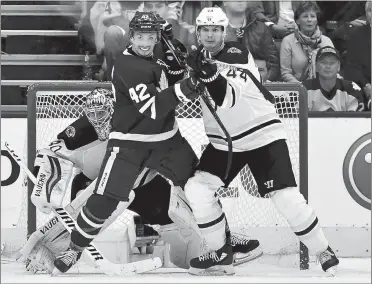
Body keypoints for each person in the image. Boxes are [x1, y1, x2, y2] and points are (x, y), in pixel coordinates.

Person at [25, 87, 259, 273]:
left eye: (104, 113)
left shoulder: (135, 119)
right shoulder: (80, 130)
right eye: (93, 115)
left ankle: (219, 246)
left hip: (145, 183)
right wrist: (43, 187)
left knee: (187, 203)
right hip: (94, 185)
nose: (99, 120)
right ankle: (53, 250)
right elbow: (49, 153)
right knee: (96, 203)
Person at [183, 6, 339, 276]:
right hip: (225, 142)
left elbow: (228, 99)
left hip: (261, 133)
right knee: (197, 189)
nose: (210, 35)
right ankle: (221, 253)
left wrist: (207, 73)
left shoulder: (236, 54)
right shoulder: (196, 60)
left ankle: (322, 249)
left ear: (224, 32)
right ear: (198, 32)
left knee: (286, 199)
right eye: (205, 30)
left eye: (215, 29)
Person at [222, 1, 280, 82]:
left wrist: (267, 82)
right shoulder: (216, 29)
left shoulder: (261, 28)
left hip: (259, 85)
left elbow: (273, 63)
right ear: (225, 2)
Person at [280, 1, 334, 83]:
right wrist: (302, 88)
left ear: (316, 20)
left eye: (312, 16)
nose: (309, 20)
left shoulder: (326, 41)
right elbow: (286, 73)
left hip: (323, 87)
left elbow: (333, 69)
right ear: (297, 21)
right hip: (298, 88)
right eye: (305, 16)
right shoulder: (288, 41)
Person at [303, 46, 366, 112]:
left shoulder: (352, 89)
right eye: (323, 62)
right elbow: (296, 119)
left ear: (338, 66)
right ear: (316, 66)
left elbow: (355, 120)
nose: (328, 66)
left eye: (332, 63)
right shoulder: (303, 89)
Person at [344, 1, 371, 106]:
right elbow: (351, 66)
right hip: (364, 88)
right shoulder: (357, 35)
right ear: (366, 14)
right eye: (370, 11)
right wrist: (366, 85)